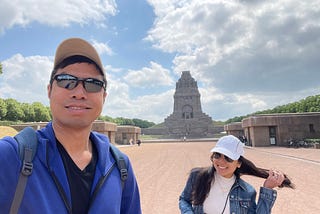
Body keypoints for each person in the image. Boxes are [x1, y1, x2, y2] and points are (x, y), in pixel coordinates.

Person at [0, 38, 141, 214]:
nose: (79, 93)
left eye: (93, 84)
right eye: (67, 80)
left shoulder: (120, 166)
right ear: (49, 90)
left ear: (104, 97)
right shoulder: (10, 157)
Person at [179, 135, 294, 214]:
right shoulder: (198, 176)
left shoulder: (247, 192)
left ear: (238, 163)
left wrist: (267, 189)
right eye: (217, 155)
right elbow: (184, 199)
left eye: (228, 158)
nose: (221, 162)